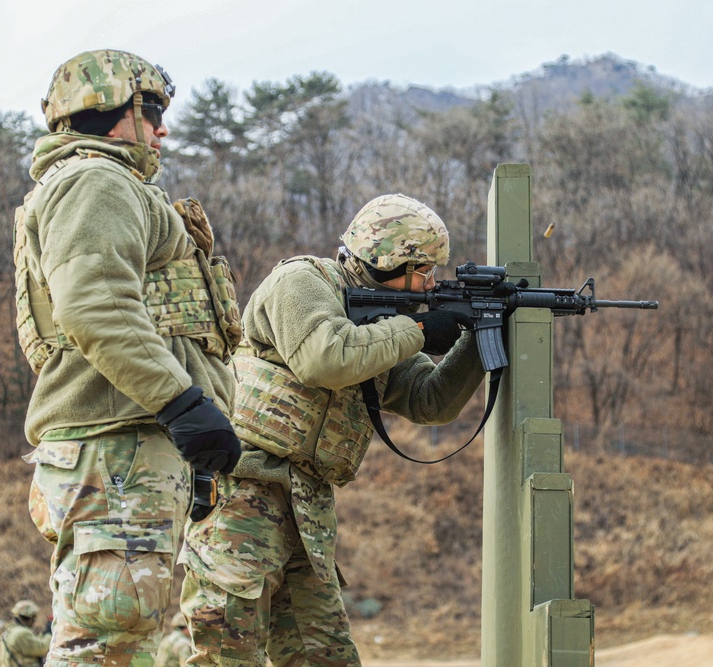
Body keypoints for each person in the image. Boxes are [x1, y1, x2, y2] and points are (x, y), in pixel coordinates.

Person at [179, 194, 486, 666]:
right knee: (227, 654)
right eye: (422, 268)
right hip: (243, 493)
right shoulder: (302, 281)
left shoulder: (386, 322)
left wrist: (478, 335)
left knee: (325, 657)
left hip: (307, 510)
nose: (430, 282)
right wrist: (422, 331)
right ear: (387, 259)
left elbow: (431, 400)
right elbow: (325, 357)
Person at [15, 49, 243, 667]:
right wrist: (184, 404)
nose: (163, 129)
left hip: (126, 448)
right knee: (106, 644)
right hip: (116, 449)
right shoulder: (95, 182)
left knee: (119, 640)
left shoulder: (107, 187)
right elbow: (96, 308)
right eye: (152, 111)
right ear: (112, 111)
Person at [0, 600, 51, 667]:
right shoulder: (22, 633)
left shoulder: (10, 631)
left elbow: (33, 643)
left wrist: (44, 633)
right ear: (30, 619)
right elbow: (42, 648)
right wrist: (49, 634)